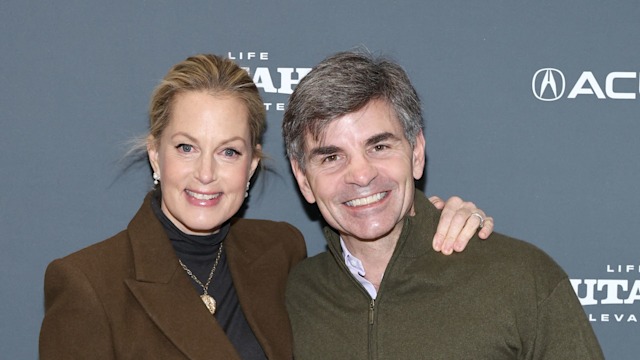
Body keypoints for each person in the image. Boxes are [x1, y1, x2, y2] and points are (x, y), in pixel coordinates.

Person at [39, 54, 494, 359]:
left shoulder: (279, 250)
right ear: (156, 155)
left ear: (253, 165)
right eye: (185, 148)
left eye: (229, 152)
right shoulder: (87, 284)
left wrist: (437, 218)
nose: (205, 174)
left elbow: (377, 241)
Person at [283, 50, 604, 359]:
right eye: (332, 157)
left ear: (417, 153)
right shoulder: (290, 297)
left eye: (379, 146)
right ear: (304, 179)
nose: (361, 174)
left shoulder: (522, 278)